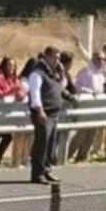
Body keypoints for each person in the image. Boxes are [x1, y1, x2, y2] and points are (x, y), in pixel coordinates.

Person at [27, 47, 64, 184]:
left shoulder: (53, 72)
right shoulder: (38, 73)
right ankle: (37, 174)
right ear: (47, 57)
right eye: (55, 58)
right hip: (43, 113)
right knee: (41, 144)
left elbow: (60, 87)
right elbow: (35, 94)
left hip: (54, 114)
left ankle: (47, 170)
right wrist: (40, 111)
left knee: (50, 145)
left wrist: (61, 73)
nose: (57, 61)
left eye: (59, 58)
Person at [0, 57, 26, 169]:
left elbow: (21, 89)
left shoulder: (14, 78)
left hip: (7, 113)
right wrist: (9, 92)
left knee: (7, 137)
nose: (11, 68)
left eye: (13, 65)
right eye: (9, 65)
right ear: (4, 65)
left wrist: (21, 94)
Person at [68, 51, 106, 162]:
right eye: (99, 59)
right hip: (86, 106)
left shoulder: (100, 74)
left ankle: (82, 155)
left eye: (103, 59)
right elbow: (78, 86)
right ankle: (69, 153)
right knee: (82, 132)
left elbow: (101, 88)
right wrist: (91, 92)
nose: (101, 61)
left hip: (96, 107)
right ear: (94, 59)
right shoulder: (86, 71)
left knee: (92, 133)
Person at [11, 59, 37, 169]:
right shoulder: (23, 80)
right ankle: (16, 161)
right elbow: (20, 93)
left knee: (29, 137)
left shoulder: (34, 80)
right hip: (20, 112)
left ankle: (25, 159)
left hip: (30, 112)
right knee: (19, 137)